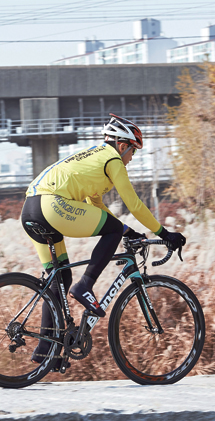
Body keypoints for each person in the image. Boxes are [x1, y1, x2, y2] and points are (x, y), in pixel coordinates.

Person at [20, 114, 186, 364]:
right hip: (52, 205)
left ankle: (46, 352)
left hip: (31, 209)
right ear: (122, 145)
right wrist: (164, 234)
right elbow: (134, 203)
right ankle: (85, 286)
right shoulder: (113, 160)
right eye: (133, 151)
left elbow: (95, 206)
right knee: (110, 232)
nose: (131, 158)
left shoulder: (93, 158)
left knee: (59, 278)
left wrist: (128, 232)